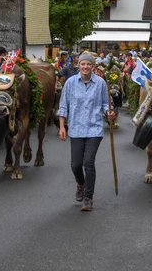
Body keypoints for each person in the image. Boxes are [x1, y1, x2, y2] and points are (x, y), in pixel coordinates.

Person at [57, 53, 115, 212]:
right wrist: (62, 126)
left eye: (88, 64)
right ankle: (80, 184)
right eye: (82, 64)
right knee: (76, 165)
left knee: (88, 162)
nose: (85, 67)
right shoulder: (70, 83)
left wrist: (109, 113)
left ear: (92, 66)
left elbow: (105, 104)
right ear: (79, 65)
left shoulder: (101, 83)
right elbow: (63, 106)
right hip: (75, 128)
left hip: (94, 128)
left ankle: (88, 198)